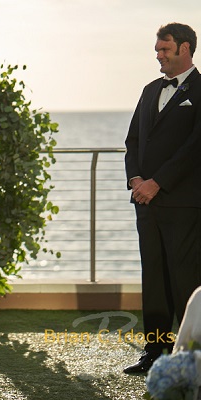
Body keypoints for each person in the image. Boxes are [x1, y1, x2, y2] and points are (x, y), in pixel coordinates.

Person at [124, 22, 201, 374]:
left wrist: (158, 182)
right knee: (153, 278)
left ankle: (190, 355)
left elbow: (194, 148)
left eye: (164, 49)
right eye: (157, 49)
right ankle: (155, 351)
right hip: (146, 202)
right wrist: (136, 179)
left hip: (183, 203)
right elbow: (134, 142)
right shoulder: (149, 89)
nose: (159, 55)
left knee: (186, 279)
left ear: (185, 48)